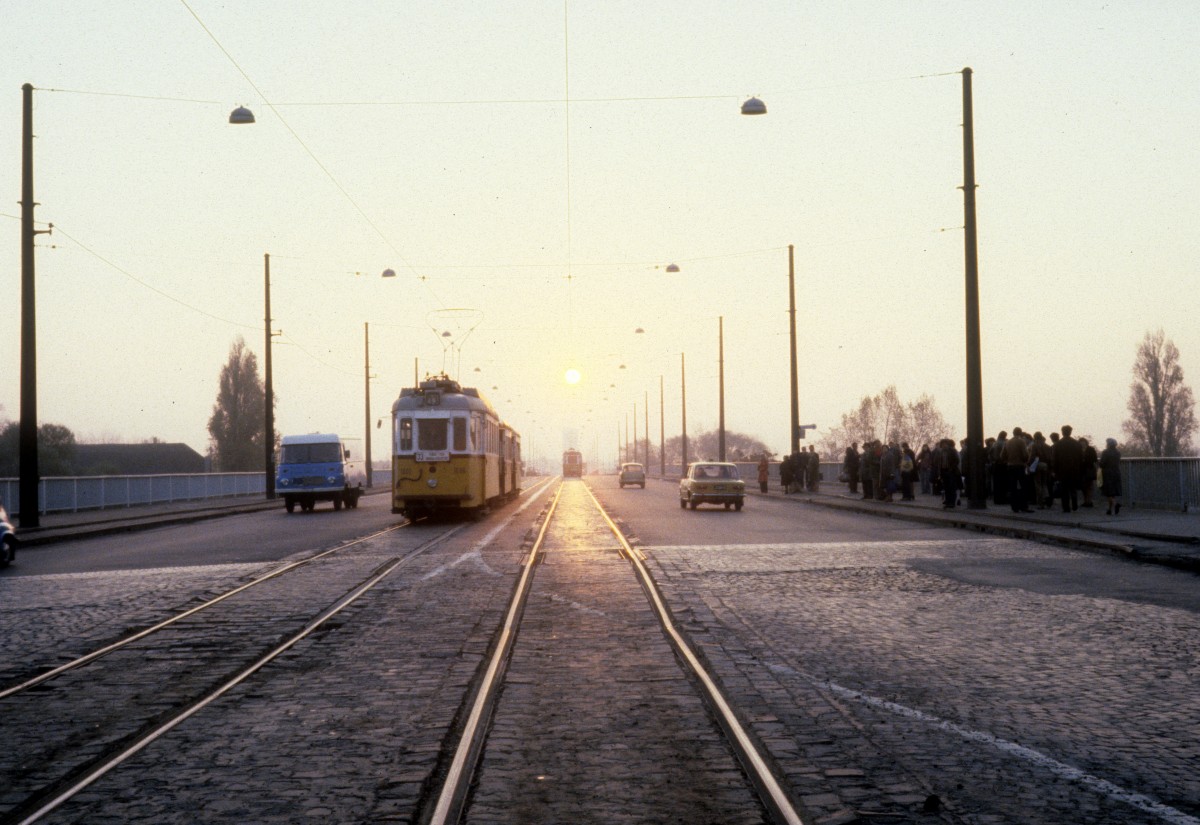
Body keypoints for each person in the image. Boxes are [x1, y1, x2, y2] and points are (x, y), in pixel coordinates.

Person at [1052, 425, 1083, 513]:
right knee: (1073, 488)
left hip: (1062, 470)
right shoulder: (1077, 444)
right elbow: (1081, 458)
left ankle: (1066, 507)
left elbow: (1055, 459)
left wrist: (1054, 470)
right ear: (1070, 432)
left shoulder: (1057, 444)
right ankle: (1074, 505)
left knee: (1064, 489)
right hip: (1074, 469)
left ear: (1062, 432)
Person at [1003, 427, 1032, 513]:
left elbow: (1002, 455)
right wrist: (1026, 460)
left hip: (1010, 466)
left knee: (1013, 487)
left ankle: (1014, 507)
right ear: (1020, 433)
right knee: (1023, 486)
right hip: (1019, 466)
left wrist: (1007, 460)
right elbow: (1025, 454)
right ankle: (1024, 506)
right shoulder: (1021, 441)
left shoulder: (1007, 442)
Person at [1099, 438, 1123, 515]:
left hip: (1107, 473)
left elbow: (1102, 463)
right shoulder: (1118, 453)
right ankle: (1109, 509)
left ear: (1108, 444)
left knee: (1108, 492)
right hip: (1116, 472)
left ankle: (1115, 504)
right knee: (1113, 492)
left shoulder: (1105, 452)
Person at [937, 438, 960, 508]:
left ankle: (952, 502)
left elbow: (957, 460)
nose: (944, 445)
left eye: (945, 444)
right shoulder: (941, 452)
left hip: (951, 471)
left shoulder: (952, 451)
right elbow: (939, 463)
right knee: (946, 487)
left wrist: (952, 468)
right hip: (943, 471)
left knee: (952, 487)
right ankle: (948, 501)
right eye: (943, 444)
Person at [1079, 437, 1098, 507]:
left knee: (1089, 486)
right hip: (1081, 470)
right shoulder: (1078, 450)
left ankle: (1089, 501)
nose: (1082, 444)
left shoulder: (1091, 449)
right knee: (1083, 487)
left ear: (1086, 443)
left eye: (1083, 443)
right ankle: (1086, 501)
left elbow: (1095, 459)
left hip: (1089, 469)